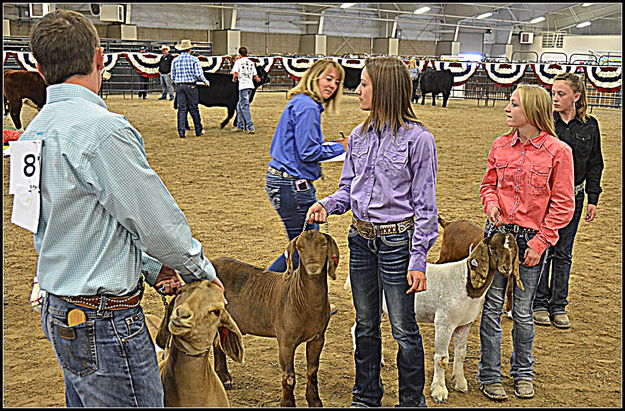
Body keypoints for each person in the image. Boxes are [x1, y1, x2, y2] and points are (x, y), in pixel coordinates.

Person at [25, 10, 224, 407]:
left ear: (39, 65)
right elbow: (158, 225)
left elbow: (73, 225)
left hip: (61, 307)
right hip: (104, 320)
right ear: (100, 59)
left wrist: (152, 268)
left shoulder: (35, 132)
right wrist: (199, 273)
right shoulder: (102, 130)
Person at [307, 56, 438, 407]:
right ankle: (366, 396)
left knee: (403, 327)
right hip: (360, 239)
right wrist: (327, 204)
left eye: (364, 84)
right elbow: (349, 189)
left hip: (398, 241)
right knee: (365, 324)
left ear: (384, 90)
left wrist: (419, 258)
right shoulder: (358, 136)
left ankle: (411, 401)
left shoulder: (418, 140)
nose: (357, 90)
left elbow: (426, 205)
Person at [478, 84, 575, 401]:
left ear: (532, 111)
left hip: (529, 239)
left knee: (522, 312)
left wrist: (539, 243)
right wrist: (491, 205)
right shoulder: (499, 146)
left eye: (514, 104)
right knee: (491, 308)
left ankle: (522, 373)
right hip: (497, 235)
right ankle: (489, 375)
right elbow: (488, 186)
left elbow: (563, 204)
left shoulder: (558, 152)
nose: (507, 108)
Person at [533, 73, 604, 329]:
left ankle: (558, 304)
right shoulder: (544, 124)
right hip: (544, 197)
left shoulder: (590, 125)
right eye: (553, 93)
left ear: (576, 96)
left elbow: (595, 162)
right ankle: (539, 302)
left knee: (564, 251)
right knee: (543, 247)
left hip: (574, 196)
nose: (555, 98)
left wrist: (593, 197)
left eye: (561, 94)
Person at [265, 58, 347, 273]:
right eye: (328, 79)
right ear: (314, 77)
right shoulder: (308, 107)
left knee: (301, 246)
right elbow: (309, 152)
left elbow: (304, 146)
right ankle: (263, 293)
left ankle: (270, 295)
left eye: (337, 82)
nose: (332, 85)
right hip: (293, 184)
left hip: (282, 180)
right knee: (306, 249)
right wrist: (343, 147)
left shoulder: (300, 102)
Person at [170, 39, 210, 138]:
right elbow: (198, 73)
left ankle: (181, 132)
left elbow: (172, 75)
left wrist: (177, 82)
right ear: (190, 50)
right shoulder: (194, 60)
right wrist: (205, 81)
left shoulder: (175, 60)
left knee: (182, 109)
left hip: (179, 86)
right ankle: (198, 130)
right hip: (191, 86)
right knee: (194, 108)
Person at [231, 46, 261, 134]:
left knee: (244, 106)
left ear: (239, 54)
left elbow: (235, 73)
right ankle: (240, 125)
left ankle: (250, 127)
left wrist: (234, 79)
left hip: (243, 85)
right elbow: (255, 76)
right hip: (250, 85)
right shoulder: (251, 62)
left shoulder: (238, 62)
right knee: (239, 105)